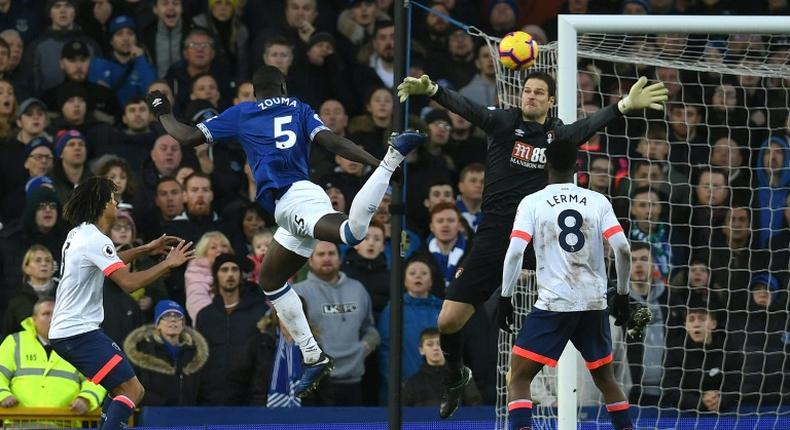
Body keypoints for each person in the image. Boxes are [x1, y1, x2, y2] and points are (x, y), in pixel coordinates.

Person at [396, 71, 668, 417]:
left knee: (583, 270)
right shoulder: (504, 123)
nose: (531, 97)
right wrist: (434, 89)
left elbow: (590, 125)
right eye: (527, 91)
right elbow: (470, 109)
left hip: (541, 241)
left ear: (551, 100)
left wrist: (625, 104)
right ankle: (455, 374)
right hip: (496, 239)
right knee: (448, 321)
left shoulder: (559, 134)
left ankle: (619, 303)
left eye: (539, 92)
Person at [147, 64, 425, 397]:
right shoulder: (299, 107)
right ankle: (312, 355)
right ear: (283, 86)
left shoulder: (243, 113)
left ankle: (392, 157)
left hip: (294, 201)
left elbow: (188, 137)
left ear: (253, 90)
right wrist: (368, 157)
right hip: (296, 202)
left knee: (351, 234)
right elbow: (333, 142)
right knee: (270, 280)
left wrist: (161, 110)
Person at [498, 138, 634, 430]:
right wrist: (622, 294)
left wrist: (505, 297)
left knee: (519, 378)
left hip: (554, 303)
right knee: (606, 379)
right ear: (577, 166)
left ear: (545, 164)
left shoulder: (532, 202)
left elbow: (515, 252)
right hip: (594, 302)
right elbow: (622, 248)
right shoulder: (598, 201)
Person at [48, 176, 194, 430]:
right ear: (103, 205)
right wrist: (167, 263)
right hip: (78, 332)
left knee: (119, 391)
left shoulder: (79, 234)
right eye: (114, 200)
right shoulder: (96, 239)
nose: (117, 205)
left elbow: (109, 259)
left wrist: (145, 249)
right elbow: (128, 283)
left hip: (70, 331)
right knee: (134, 390)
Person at [0, 298, 106, 426]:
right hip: (19, 423)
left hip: (66, 424)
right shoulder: (14, 341)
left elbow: (96, 379)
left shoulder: (78, 346)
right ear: (33, 319)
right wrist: (3, 395)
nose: (52, 319)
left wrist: (86, 399)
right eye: (46, 314)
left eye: (57, 314)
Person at [123, 300, 209, 406]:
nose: (173, 319)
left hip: (190, 416)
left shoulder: (194, 354)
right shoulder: (143, 352)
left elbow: (205, 388)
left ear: (183, 324)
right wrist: (161, 403)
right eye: (167, 315)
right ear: (158, 324)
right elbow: (135, 389)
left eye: (177, 316)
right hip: (154, 416)